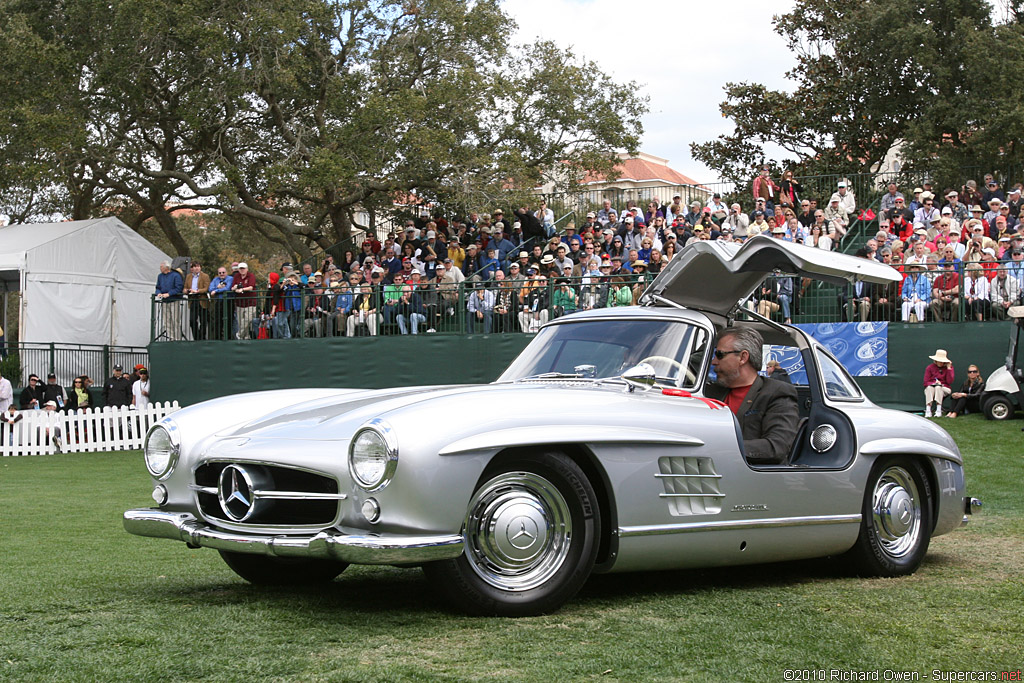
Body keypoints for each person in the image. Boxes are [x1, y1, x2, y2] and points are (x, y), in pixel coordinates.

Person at [704, 327, 799, 464]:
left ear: (743, 357)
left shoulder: (777, 393)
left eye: (719, 355)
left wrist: (721, 449)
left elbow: (776, 447)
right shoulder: (709, 392)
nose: (714, 361)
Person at [154, 261, 184, 340]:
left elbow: (179, 288)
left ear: (166, 268)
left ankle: (177, 338)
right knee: (166, 320)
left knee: (175, 321)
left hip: (174, 300)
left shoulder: (176, 275)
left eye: (161, 267)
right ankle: (171, 337)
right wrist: (158, 293)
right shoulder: (160, 276)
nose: (160, 268)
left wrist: (169, 293)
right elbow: (158, 287)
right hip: (164, 301)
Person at [184, 260, 211, 340]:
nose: (197, 268)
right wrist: (186, 290)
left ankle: (202, 338)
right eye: (195, 266)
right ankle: (196, 338)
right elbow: (185, 287)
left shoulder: (205, 276)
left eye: (198, 266)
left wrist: (198, 291)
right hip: (193, 299)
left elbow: (206, 288)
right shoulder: (189, 276)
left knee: (203, 321)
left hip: (202, 299)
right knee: (192, 320)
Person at [923, 349, 954, 418]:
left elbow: (949, 381)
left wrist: (949, 369)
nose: (940, 363)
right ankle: (928, 410)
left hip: (945, 388)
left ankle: (938, 410)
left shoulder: (948, 368)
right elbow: (925, 382)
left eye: (942, 361)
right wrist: (934, 382)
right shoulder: (929, 368)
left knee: (938, 387)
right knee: (930, 388)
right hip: (931, 388)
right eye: (939, 361)